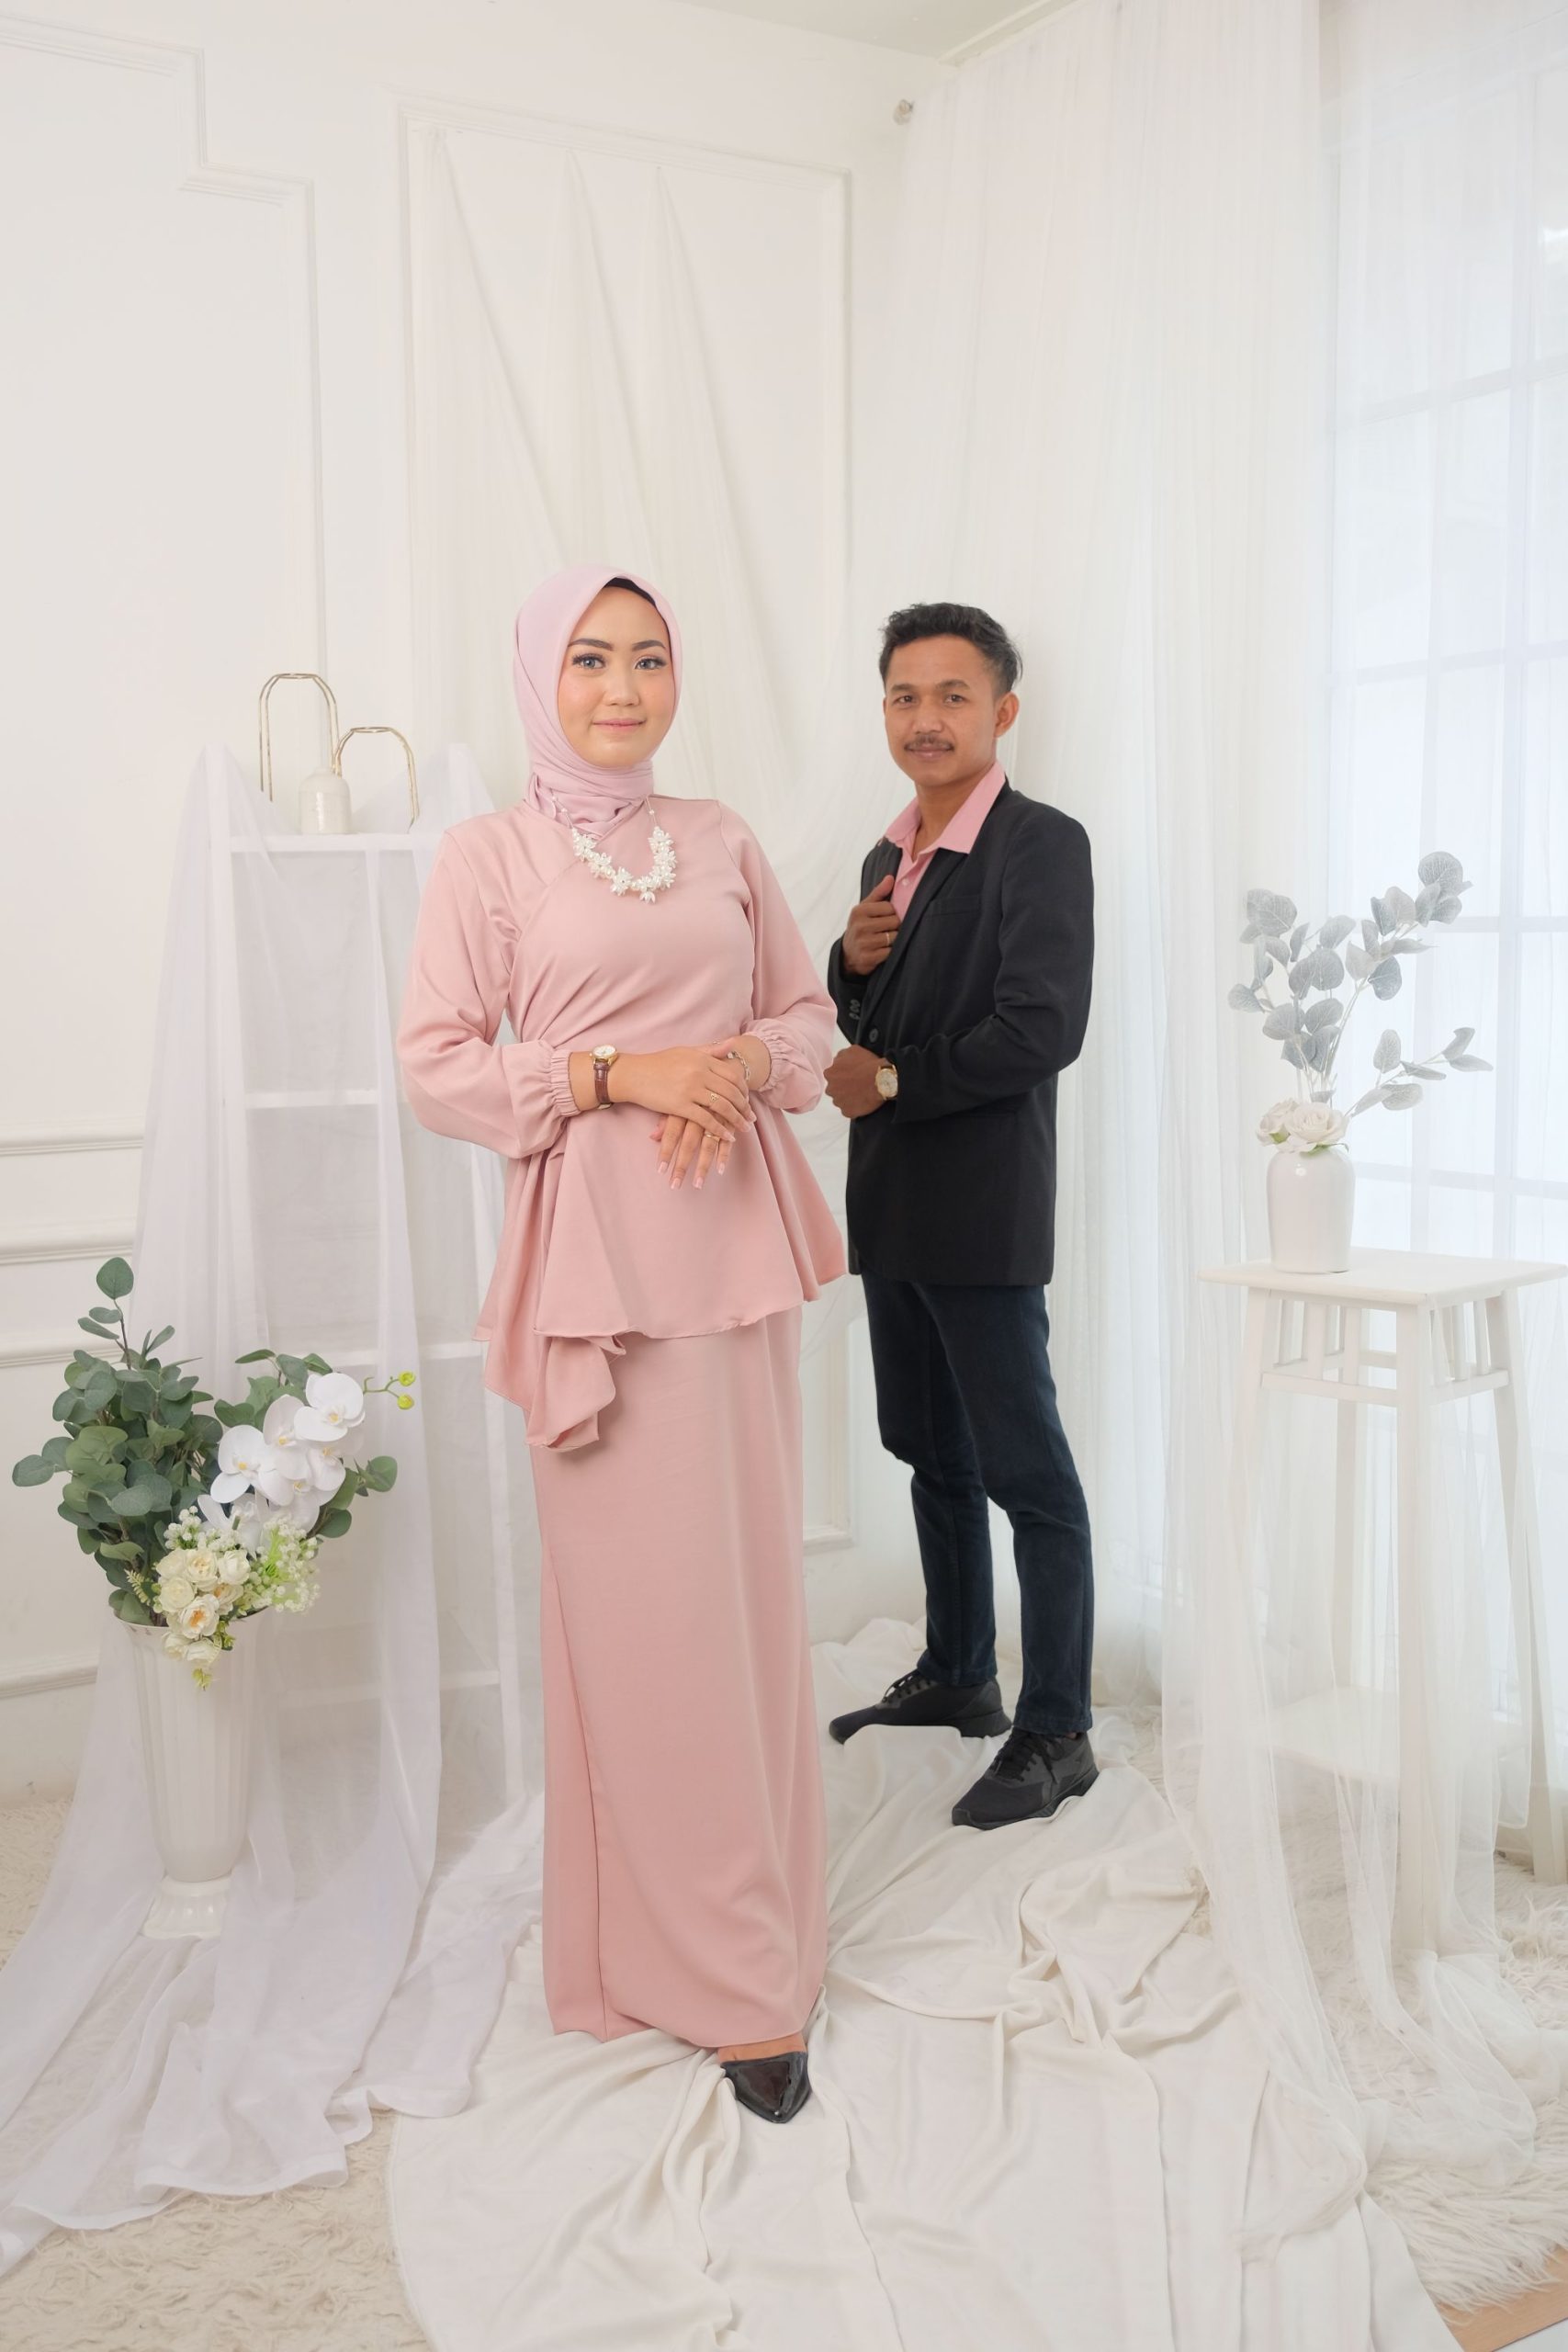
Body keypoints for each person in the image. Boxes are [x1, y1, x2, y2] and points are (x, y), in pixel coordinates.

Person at [397, 565, 844, 2123]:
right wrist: (614, 1075)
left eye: (649, 659)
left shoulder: (719, 838)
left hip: (735, 1254)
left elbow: (807, 1025)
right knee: (647, 1623)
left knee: (744, 1604)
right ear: (542, 677)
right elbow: (437, 1066)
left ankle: (764, 1934)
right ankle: (711, 1979)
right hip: (596, 1272)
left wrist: (731, 1064)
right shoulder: (492, 855)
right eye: (590, 659)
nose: (622, 688)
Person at [822, 601, 1098, 1831]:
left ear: (1003, 711)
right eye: (904, 696)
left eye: (952, 695)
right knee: (928, 1450)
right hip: (892, 1203)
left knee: (1026, 1471)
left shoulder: (1041, 844)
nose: (925, 718)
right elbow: (872, 1019)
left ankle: (1059, 1729)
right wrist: (849, 965)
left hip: (983, 1210)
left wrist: (891, 1080)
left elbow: (1042, 1028)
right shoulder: (885, 860)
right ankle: (960, 1673)